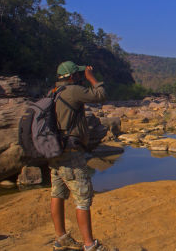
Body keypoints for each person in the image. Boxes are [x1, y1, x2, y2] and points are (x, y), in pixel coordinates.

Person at [49, 61, 109, 251]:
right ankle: (90, 245)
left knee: (57, 193)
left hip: (55, 151)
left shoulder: (53, 92)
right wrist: (92, 78)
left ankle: (61, 238)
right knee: (83, 198)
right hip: (71, 154)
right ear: (72, 76)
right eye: (78, 74)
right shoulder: (73, 90)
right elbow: (100, 95)